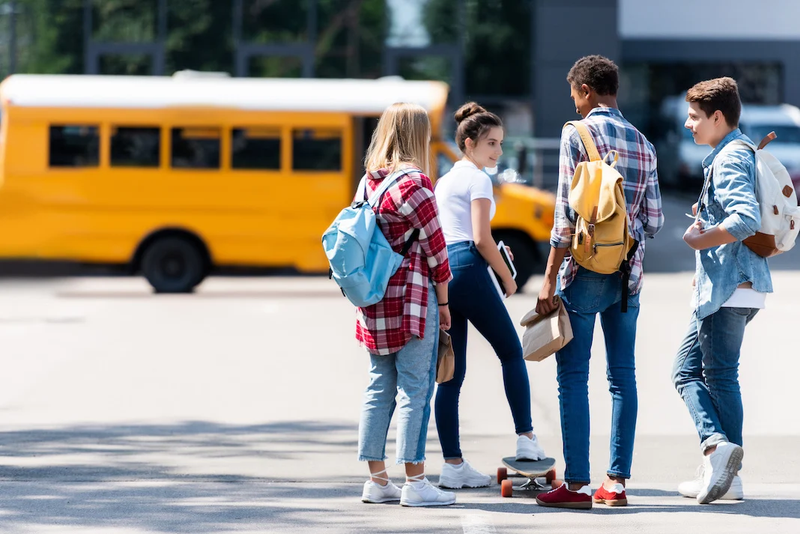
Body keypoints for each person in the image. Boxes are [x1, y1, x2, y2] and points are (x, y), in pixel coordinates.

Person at [534, 55, 664, 509]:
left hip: (586, 271)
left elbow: (564, 217)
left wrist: (549, 278)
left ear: (587, 90)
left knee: (572, 376)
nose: (573, 102)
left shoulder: (578, 133)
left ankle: (577, 485)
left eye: (574, 94)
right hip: (629, 276)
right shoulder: (644, 144)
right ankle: (617, 485)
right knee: (622, 377)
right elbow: (653, 222)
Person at [433, 102, 547, 490]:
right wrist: (508, 279)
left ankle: (452, 464)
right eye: (491, 143)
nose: (498, 151)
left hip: (444, 272)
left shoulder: (444, 181)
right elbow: (481, 238)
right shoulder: (478, 180)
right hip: (468, 264)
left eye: (501, 143)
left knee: (451, 374)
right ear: (468, 143)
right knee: (511, 353)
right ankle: (527, 440)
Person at [672, 77, 771, 504]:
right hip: (740, 285)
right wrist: (708, 218)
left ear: (717, 116)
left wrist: (701, 239)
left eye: (695, 117)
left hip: (729, 286)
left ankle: (715, 448)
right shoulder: (740, 151)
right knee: (713, 375)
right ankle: (730, 477)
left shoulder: (729, 156)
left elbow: (746, 218)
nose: (689, 125)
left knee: (694, 374)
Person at [355, 102, 456, 508]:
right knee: (415, 389)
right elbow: (436, 249)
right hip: (412, 300)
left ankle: (378, 482)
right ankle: (415, 483)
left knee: (379, 386)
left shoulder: (369, 183)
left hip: (373, 298)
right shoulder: (416, 184)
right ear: (418, 135)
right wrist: (445, 303)